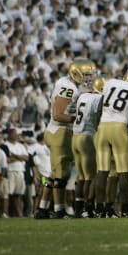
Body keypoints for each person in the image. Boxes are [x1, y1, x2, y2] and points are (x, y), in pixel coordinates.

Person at [38, 58, 96, 219]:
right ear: (76, 73)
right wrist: (79, 118)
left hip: (56, 131)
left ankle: (42, 208)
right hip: (60, 132)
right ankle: (58, 210)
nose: (88, 78)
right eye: (85, 74)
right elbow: (58, 115)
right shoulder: (68, 88)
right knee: (61, 175)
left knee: (54, 173)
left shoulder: (65, 82)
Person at [94, 64, 128, 218]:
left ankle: (100, 209)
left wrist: (99, 128)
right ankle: (126, 208)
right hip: (119, 127)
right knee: (123, 172)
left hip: (103, 126)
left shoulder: (111, 83)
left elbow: (99, 108)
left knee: (102, 172)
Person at [71, 76, 103, 218]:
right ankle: (88, 208)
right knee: (90, 176)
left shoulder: (83, 96)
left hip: (75, 136)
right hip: (87, 136)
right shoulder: (98, 99)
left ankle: (78, 208)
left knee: (81, 176)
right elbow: (97, 117)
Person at [4, 128, 29, 217]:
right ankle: (7, 213)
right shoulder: (5, 145)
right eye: (14, 134)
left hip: (21, 171)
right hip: (10, 171)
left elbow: (27, 158)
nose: (16, 135)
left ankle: (19, 213)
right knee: (9, 194)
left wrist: (14, 156)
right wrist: (20, 158)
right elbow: (7, 160)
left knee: (19, 194)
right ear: (10, 134)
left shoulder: (20, 146)